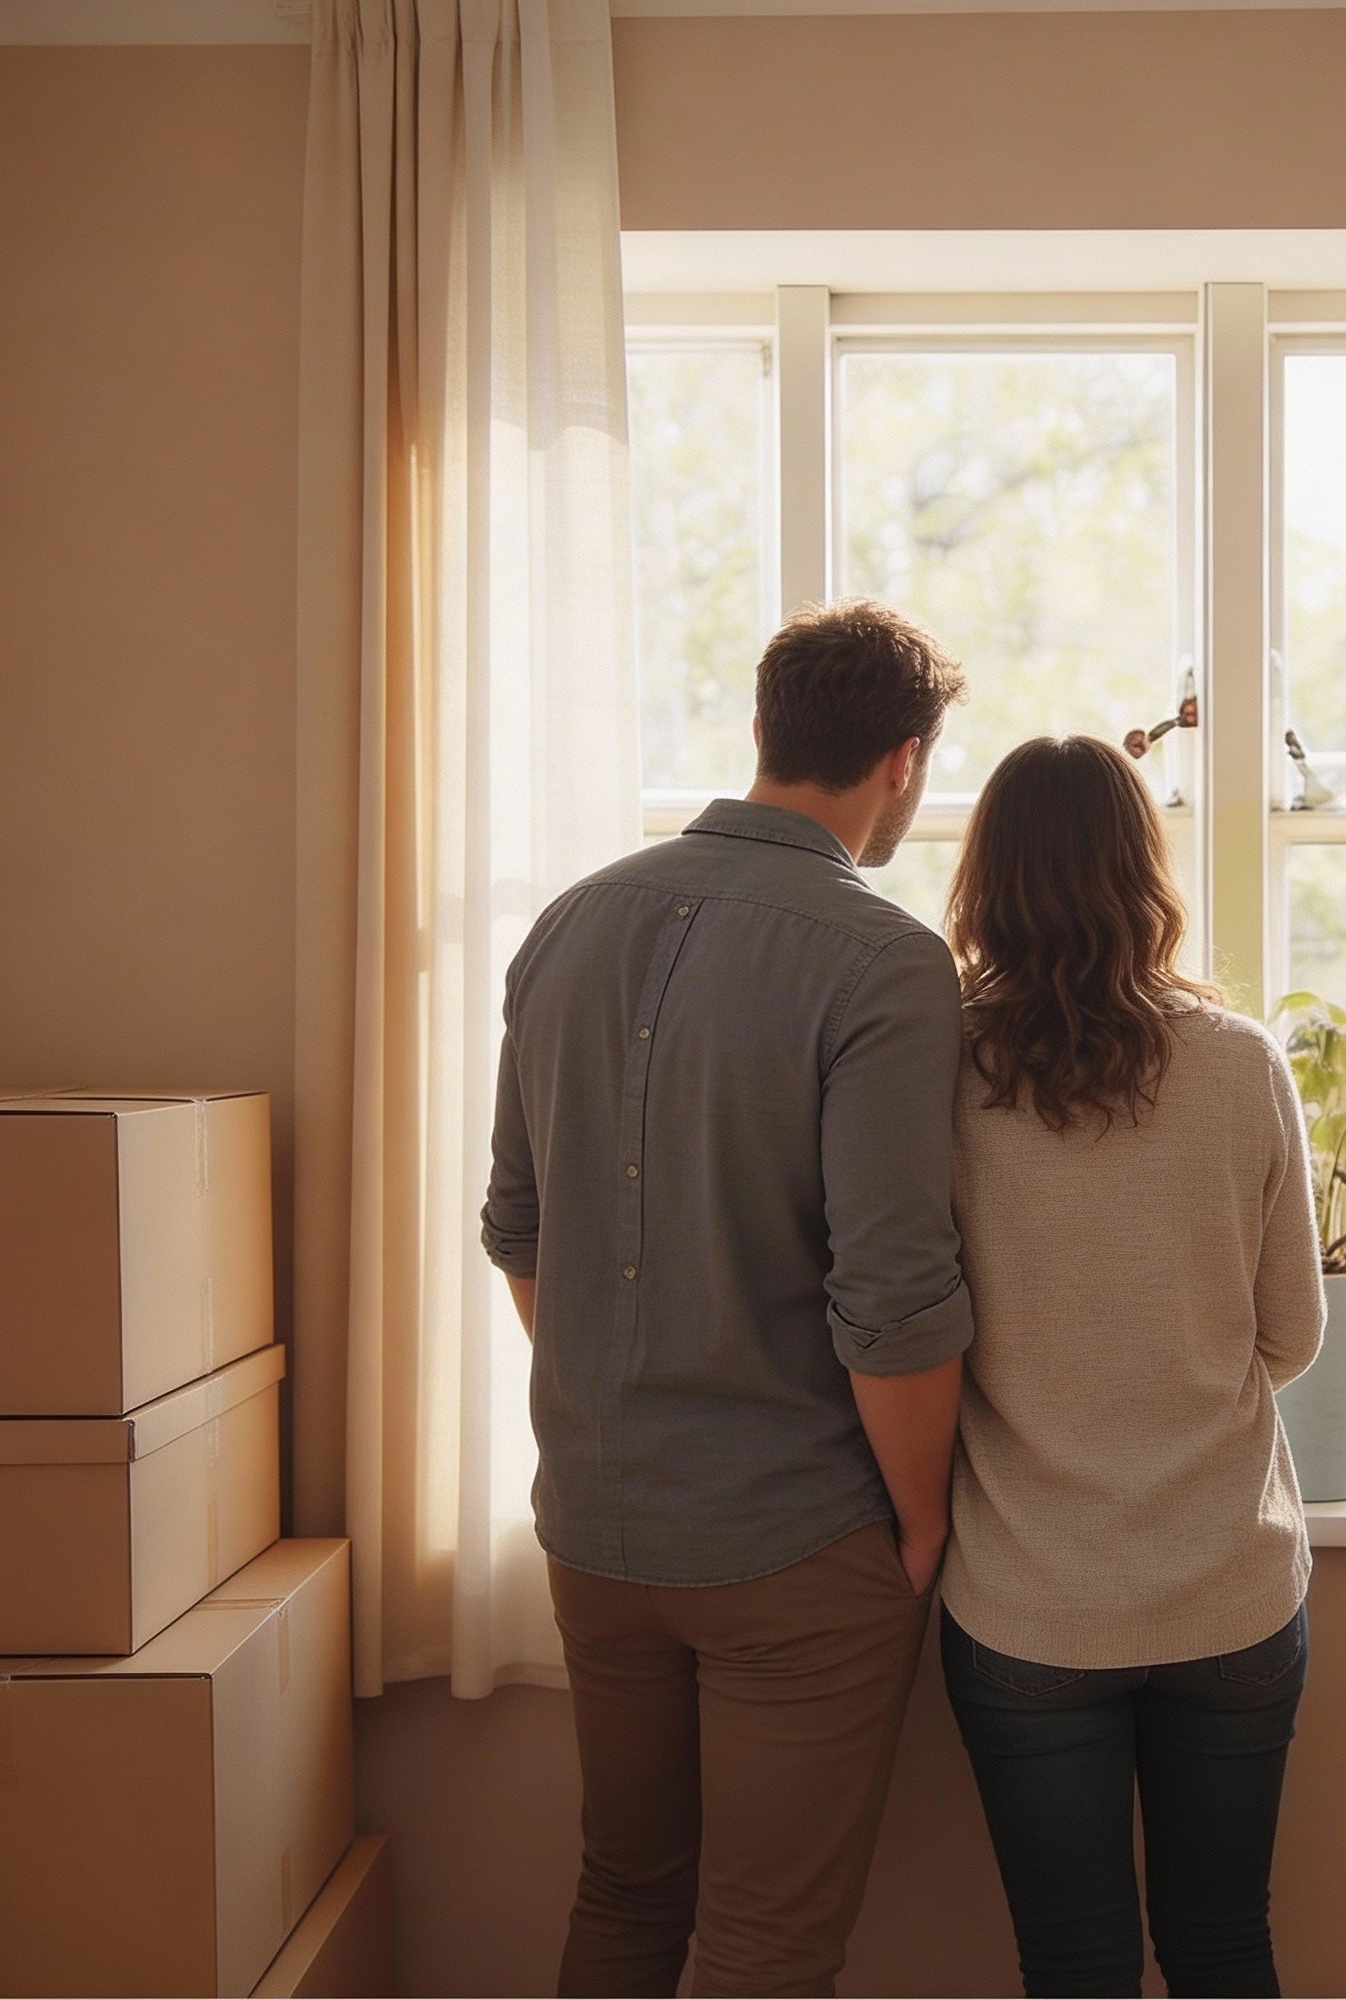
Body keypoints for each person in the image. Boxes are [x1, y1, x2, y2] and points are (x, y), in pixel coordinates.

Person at [480, 600, 974, 1999]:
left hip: (596, 1522)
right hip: (795, 1539)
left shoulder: (570, 921)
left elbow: (519, 1227)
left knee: (625, 1889)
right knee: (765, 1945)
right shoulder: (884, 957)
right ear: (905, 760)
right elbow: (892, 1293)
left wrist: (618, 1412)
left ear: (762, 730)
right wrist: (922, 1518)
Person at [938, 735, 1327, 2000]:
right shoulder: (1238, 1059)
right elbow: (1292, 1334)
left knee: (1074, 1965)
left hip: (1024, 1601)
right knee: (1222, 1945)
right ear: (1143, 869)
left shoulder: (936, 1069)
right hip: (1229, 1590)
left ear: (986, 878)